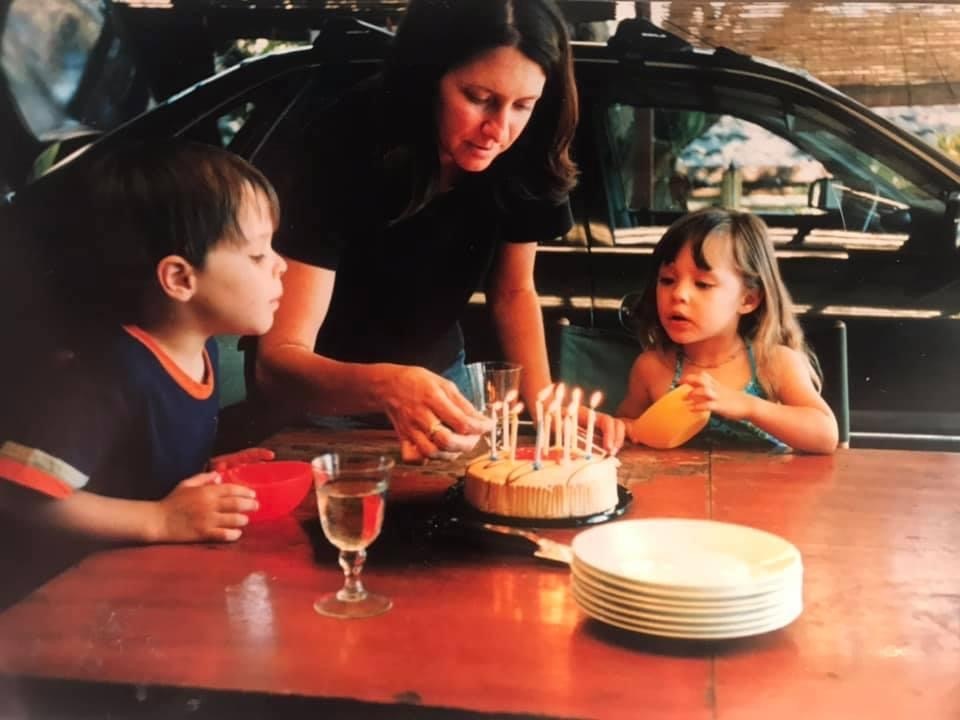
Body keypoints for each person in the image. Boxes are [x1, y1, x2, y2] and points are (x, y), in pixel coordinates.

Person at [256, 0, 625, 459]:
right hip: (323, 398)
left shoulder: (528, 147)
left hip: (441, 381)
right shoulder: (342, 140)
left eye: (523, 105)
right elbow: (279, 361)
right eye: (479, 98)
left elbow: (513, 291)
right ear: (427, 76)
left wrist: (546, 404)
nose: (498, 130)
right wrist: (388, 386)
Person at [0, 140, 288, 565]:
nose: (281, 265)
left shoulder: (199, 350)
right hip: (69, 590)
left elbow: (133, 466)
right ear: (179, 278)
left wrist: (204, 474)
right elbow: (19, 493)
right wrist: (159, 519)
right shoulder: (111, 372)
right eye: (258, 255)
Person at [616, 208, 838, 453]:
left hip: (767, 479)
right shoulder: (652, 368)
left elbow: (826, 435)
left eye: (703, 284)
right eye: (667, 280)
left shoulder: (772, 362)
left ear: (748, 299)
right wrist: (624, 429)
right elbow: (627, 427)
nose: (679, 294)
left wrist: (748, 406)